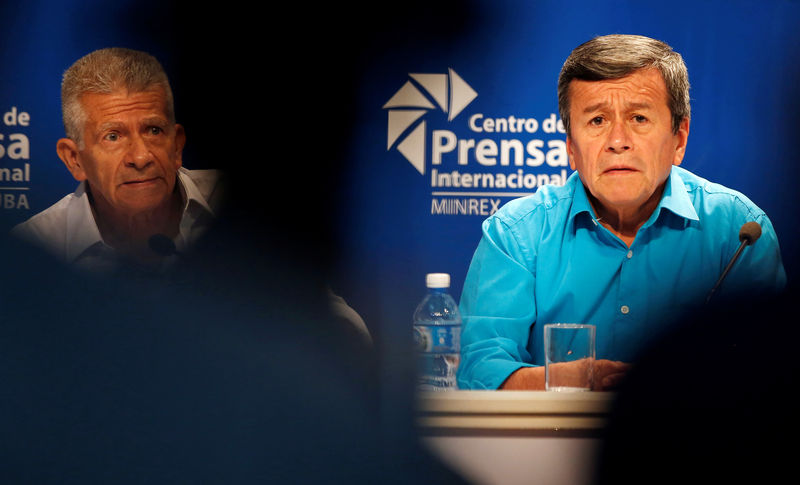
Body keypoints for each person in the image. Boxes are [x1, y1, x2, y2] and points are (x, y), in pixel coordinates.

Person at [456, 34, 786, 391]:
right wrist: (565, 381)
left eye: (639, 117)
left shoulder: (738, 231)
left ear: (680, 138)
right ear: (570, 146)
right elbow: (478, 369)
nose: (617, 140)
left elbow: (772, 370)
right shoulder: (516, 234)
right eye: (597, 120)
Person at [11, 47, 224, 273]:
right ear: (74, 159)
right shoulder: (31, 250)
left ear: (177, 146)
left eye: (153, 130)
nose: (141, 158)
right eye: (112, 137)